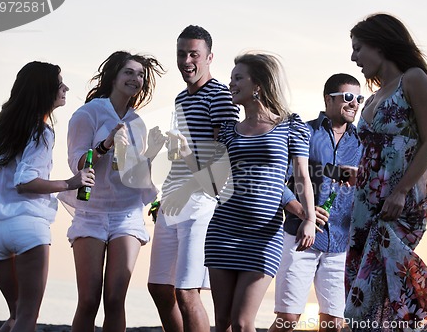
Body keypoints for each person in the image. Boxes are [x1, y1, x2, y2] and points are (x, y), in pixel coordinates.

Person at [175, 52, 316, 332]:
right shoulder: (229, 130)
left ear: (258, 85)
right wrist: (187, 155)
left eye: (238, 78)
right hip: (223, 231)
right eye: (231, 79)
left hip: (264, 236)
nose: (231, 84)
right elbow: (214, 184)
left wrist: (308, 218)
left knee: (242, 322)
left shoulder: (291, 125)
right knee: (223, 323)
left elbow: (301, 176)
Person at [345, 13, 427, 331]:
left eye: (358, 47)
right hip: (364, 207)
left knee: (361, 308)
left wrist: (401, 191)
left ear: (380, 45)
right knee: (369, 300)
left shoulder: (414, 79)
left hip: (398, 205)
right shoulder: (374, 96)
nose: (353, 57)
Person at [57, 51, 165, 332]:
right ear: (114, 76)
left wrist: (151, 153)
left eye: (140, 74)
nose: (135, 78)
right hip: (91, 213)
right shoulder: (88, 114)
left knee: (116, 299)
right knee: (89, 300)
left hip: (126, 214)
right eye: (129, 72)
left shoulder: (138, 123)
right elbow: (77, 164)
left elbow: (136, 175)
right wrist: (105, 145)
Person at [0, 61, 94, 332]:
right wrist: (70, 182)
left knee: (15, 314)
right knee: (26, 317)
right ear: (44, 90)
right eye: (60, 83)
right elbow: (24, 182)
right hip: (27, 227)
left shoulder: (6, 128)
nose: (65, 87)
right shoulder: (41, 132)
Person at [147, 25, 240, 332]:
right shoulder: (180, 99)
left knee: (187, 292)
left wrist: (186, 155)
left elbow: (221, 162)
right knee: (160, 287)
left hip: (202, 203)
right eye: (181, 53)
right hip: (173, 200)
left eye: (193, 54)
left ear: (209, 57)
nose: (186, 60)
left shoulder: (221, 96)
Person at [268, 73, 364, 332]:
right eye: (347, 97)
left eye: (359, 98)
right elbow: (279, 181)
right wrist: (304, 214)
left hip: (340, 244)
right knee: (286, 320)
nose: (354, 103)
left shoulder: (360, 144)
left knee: (334, 324)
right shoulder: (304, 132)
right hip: (300, 240)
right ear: (328, 99)